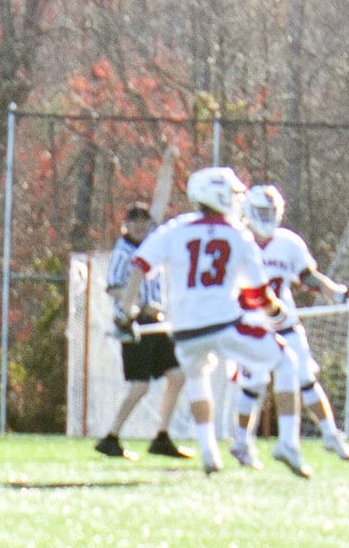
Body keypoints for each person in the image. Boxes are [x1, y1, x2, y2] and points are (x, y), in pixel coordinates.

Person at [127, 167, 309, 477]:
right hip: (225, 324)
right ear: (219, 194)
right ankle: (288, 442)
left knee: (197, 379)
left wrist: (126, 308)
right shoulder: (237, 234)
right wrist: (276, 315)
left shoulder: (176, 228)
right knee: (286, 361)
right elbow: (256, 294)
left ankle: (209, 453)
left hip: (183, 330)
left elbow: (140, 264)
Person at [237, 185, 349, 463]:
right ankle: (242, 442)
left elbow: (308, 276)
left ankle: (330, 435)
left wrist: (336, 292)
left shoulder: (288, 242)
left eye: (272, 212)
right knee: (254, 383)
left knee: (305, 378)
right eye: (263, 212)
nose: (268, 218)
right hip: (250, 326)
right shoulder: (237, 241)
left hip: (284, 322)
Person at [94, 202, 192, 461]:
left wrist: (169, 162)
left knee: (177, 375)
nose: (140, 225)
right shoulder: (123, 251)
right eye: (134, 221)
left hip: (156, 324)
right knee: (140, 386)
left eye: (144, 220)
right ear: (126, 225)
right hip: (134, 323)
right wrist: (138, 304)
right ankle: (110, 438)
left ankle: (161, 437)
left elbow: (161, 198)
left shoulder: (152, 243)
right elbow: (113, 288)